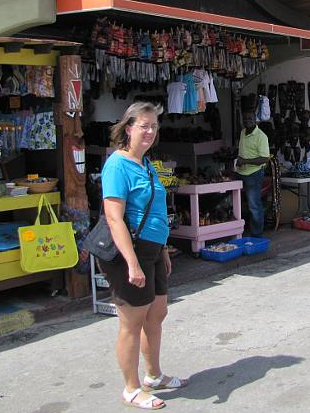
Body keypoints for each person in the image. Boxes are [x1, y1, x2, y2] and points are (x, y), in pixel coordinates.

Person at [101, 102, 187, 410]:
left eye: (154, 126)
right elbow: (114, 218)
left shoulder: (145, 163)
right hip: (131, 252)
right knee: (132, 322)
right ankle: (131, 388)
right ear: (128, 128)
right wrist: (132, 263)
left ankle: (153, 375)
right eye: (144, 126)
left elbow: (155, 210)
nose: (150, 132)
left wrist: (162, 248)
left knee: (157, 313)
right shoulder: (117, 165)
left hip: (152, 250)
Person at [236, 110, 270, 237]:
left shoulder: (261, 136)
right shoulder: (243, 132)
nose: (247, 120)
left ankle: (257, 234)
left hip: (254, 174)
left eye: (250, 118)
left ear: (255, 120)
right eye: (245, 118)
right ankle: (237, 230)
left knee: (254, 205)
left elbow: (264, 158)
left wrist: (245, 161)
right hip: (240, 172)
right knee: (234, 201)